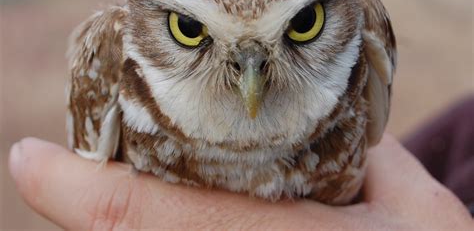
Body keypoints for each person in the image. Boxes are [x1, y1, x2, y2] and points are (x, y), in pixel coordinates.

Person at [9, 100, 474, 229]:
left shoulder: (360, 34)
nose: (251, 85)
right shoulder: (115, 50)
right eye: (190, 31)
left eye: (303, 26)